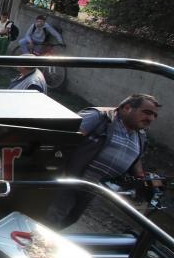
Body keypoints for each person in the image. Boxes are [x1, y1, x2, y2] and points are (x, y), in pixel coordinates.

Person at [46, 94, 161, 228]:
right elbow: (62, 139)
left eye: (154, 115)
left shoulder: (140, 136)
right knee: (50, 219)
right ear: (127, 108)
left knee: (67, 221)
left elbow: (135, 161)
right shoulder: (99, 117)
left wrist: (145, 179)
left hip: (92, 189)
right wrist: (58, 172)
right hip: (68, 180)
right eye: (147, 112)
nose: (151, 118)